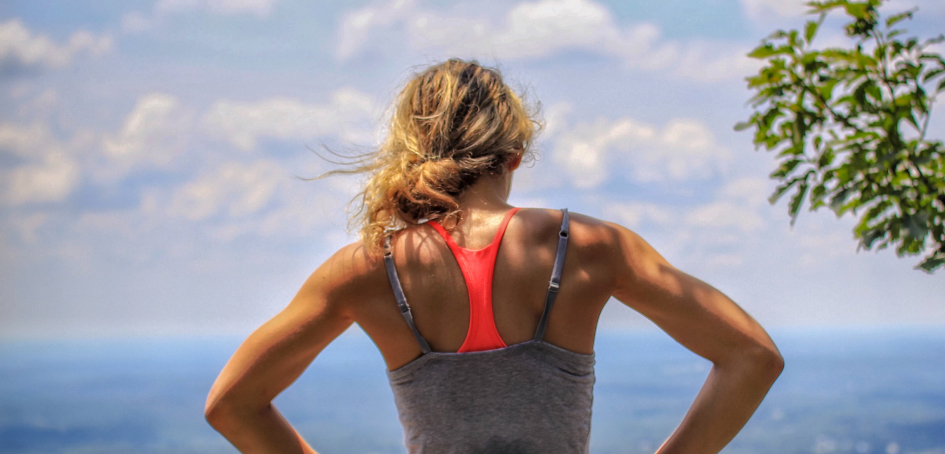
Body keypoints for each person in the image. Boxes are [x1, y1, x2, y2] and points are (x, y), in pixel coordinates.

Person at [204, 59, 784, 454]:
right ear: (515, 154)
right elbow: (752, 357)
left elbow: (232, 405)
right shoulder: (587, 248)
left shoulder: (365, 268)